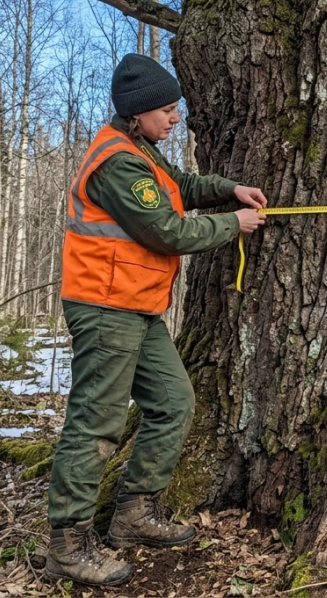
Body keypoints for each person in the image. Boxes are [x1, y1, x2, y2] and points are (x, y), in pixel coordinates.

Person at [46, 53, 267, 586]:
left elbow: (181, 189)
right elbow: (166, 231)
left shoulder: (141, 149)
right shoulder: (117, 162)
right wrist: (232, 224)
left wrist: (226, 189)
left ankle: (133, 516)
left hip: (137, 307)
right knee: (96, 422)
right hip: (105, 308)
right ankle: (67, 546)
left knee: (173, 404)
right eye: (167, 110)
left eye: (176, 109)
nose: (174, 119)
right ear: (137, 112)